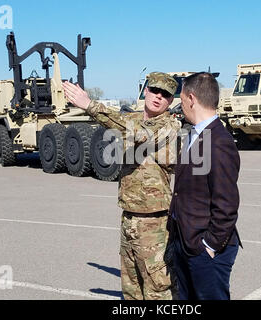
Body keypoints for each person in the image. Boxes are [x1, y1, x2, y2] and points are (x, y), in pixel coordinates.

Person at [63, 72, 180, 300]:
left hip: (154, 221)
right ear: (145, 90)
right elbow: (121, 124)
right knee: (131, 286)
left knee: (158, 287)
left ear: (170, 101)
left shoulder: (168, 125)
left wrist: (89, 105)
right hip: (129, 216)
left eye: (165, 95)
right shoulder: (132, 119)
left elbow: (135, 134)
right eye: (154, 90)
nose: (158, 97)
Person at [169, 72, 242, 300]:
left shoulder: (219, 141)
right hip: (186, 241)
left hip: (205, 249)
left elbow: (227, 204)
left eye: (181, 100)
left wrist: (209, 245)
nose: (180, 106)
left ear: (191, 98)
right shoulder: (196, 134)